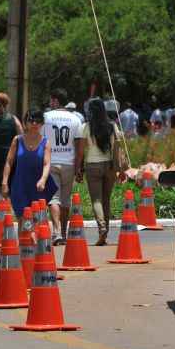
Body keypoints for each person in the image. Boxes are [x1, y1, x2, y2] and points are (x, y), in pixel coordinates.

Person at [77, 99, 126, 246]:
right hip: (110, 166)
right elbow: (118, 147)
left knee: (96, 200)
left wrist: (78, 169)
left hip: (92, 166)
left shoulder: (86, 127)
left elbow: (80, 152)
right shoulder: (112, 126)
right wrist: (121, 169)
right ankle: (106, 232)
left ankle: (102, 228)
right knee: (106, 199)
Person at [1, 109, 57, 229]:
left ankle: (37, 246)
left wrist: (43, 179)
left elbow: (47, 164)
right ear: (25, 122)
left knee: (37, 220)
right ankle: (23, 246)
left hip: (38, 187)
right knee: (23, 220)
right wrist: (5, 182)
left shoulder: (45, 142)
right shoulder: (17, 140)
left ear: (42, 123)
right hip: (20, 185)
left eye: (38, 121)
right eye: (31, 120)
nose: (35, 124)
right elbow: (9, 162)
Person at [43, 89, 84, 245]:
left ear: (55, 101)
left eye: (51, 100)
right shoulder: (76, 119)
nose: (49, 103)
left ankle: (56, 231)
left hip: (51, 162)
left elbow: (40, 140)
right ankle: (64, 233)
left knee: (53, 198)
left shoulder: (46, 117)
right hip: (69, 162)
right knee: (65, 200)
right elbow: (80, 147)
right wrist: (78, 167)